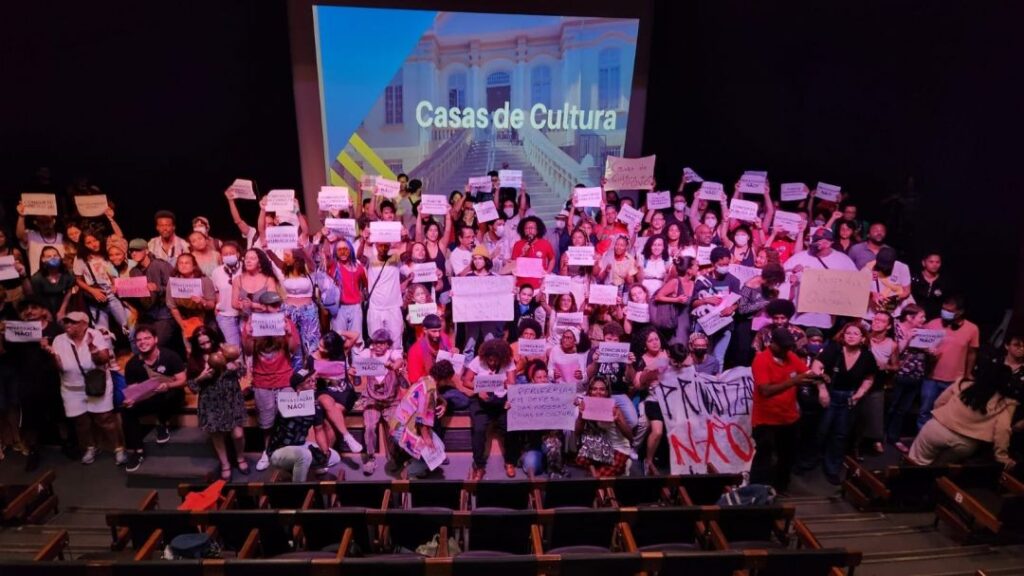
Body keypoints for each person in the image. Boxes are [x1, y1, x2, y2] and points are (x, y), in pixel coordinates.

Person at [43, 311, 126, 466]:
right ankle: (90, 447)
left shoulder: (96, 335)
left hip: (97, 385)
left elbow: (103, 360)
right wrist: (51, 354)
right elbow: (59, 368)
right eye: (66, 322)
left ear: (84, 324)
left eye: (73, 322)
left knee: (105, 419)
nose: (68, 325)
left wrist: (91, 347)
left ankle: (118, 448)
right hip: (71, 388)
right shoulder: (59, 340)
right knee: (81, 421)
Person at [908, 367, 1018, 469]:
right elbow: (1003, 431)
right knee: (938, 471)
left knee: (914, 465)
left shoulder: (962, 385)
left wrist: (942, 418)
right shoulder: (1004, 402)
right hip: (964, 443)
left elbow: (939, 402)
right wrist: (1001, 457)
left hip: (937, 429)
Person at [750, 327, 817, 493]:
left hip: (788, 417)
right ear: (772, 344)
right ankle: (755, 491)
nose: (787, 350)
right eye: (784, 347)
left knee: (787, 456)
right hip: (766, 418)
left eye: (789, 347)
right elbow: (765, 391)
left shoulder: (790, 356)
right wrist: (793, 381)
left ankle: (781, 487)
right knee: (764, 456)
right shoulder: (761, 360)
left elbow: (805, 372)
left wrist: (818, 377)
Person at [810, 321, 878, 484]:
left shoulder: (867, 356)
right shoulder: (834, 349)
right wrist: (822, 389)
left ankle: (832, 468)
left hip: (849, 397)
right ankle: (809, 462)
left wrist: (860, 394)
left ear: (863, 338)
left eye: (856, 333)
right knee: (820, 431)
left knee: (840, 435)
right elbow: (816, 365)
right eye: (848, 333)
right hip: (830, 394)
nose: (851, 336)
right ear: (843, 335)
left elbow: (869, 378)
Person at [242, 291, 301, 471]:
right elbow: (249, 351)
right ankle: (267, 451)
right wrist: (249, 336)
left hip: (284, 376)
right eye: (272, 305)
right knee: (266, 421)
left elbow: (293, 350)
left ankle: (287, 452)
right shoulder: (251, 323)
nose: (277, 308)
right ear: (263, 306)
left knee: (289, 418)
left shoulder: (286, 322)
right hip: (262, 379)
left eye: (278, 305)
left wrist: (289, 334)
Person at [121, 324, 188, 471]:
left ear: (155, 339)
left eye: (147, 338)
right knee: (126, 410)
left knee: (171, 395)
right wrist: (131, 400)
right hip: (148, 397)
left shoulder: (170, 356)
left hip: (170, 394)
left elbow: (182, 380)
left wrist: (168, 386)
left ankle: (162, 423)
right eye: (139, 340)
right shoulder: (132, 364)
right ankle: (137, 451)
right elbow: (133, 390)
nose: (143, 342)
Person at [185, 326, 247, 480]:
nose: (206, 346)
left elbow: (242, 373)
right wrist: (201, 377)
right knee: (217, 435)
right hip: (211, 401)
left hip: (231, 398)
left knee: (238, 434)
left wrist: (236, 366)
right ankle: (225, 463)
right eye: (202, 344)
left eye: (208, 342)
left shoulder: (225, 351)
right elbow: (192, 387)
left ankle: (240, 458)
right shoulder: (195, 359)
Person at [918, 295, 979, 431]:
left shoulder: (972, 329)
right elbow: (920, 345)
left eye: (949, 310)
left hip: (954, 380)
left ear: (960, 312)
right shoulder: (932, 323)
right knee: (924, 411)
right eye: (943, 309)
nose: (944, 312)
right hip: (931, 377)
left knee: (945, 414)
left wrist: (968, 374)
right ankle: (921, 443)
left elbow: (972, 353)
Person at [784, 228, 857, 330]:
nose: (818, 243)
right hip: (798, 318)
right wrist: (792, 272)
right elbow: (781, 276)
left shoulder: (843, 260)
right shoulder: (799, 257)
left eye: (822, 241)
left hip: (825, 319)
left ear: (830, 242)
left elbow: (854, 285)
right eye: (816, 240)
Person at [389, 360, 452, 479]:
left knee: (437, 448)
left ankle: (414, 463)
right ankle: (409, 472)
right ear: (443, 379)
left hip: (399, 423)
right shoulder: (430, 390)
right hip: (402, 429)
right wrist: (427, 441)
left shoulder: (426, 380)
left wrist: (443, 403)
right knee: (434, 454)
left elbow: (434, 397)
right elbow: (422, 420)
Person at [464, 339, 516, 479]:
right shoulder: (477, 360)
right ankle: (479, 466)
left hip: (501, 401)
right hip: (481, 401)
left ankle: (510, 462)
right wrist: (478, 389)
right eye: (490, 360)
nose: (492, 363)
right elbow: (466, 380)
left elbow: (512, 383)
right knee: (479, 430)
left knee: (510, 429)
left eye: (495, 360)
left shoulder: (508, 362)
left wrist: (508, 393)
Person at [352, 329, 402, 475]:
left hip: (391, 400)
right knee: (369, 427)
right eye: (376, 343)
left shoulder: (393, 353)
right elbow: (356, 366)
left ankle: (395, 457)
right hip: (372, 399)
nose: (378, 346)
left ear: (388, 344)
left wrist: (393, 366)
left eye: (382, 343)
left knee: (394, 428)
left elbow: (399, 361)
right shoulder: (367, 353)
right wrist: (353, 370)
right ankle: (370, 458)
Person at [266, 360, 324, 482]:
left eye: (314, 381)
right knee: (304, 456)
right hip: (279, 449)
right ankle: (297, 491)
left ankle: (301, 468)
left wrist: (325, 450)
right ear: (298, 389)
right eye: (309, 382)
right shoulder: (286, 405)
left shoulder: (315, 406)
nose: (314, 384)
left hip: (300, 445)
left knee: (334, 457)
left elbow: (319, 430)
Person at [886, 304, 929, 451]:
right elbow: (897, 351)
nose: (924, 319)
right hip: (899, 374)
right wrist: (909, 338)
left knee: (903, 409)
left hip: (916, 374)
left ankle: (894, 437)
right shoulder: (895, 328)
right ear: (910, 317)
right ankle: (880, 437)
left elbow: (927, 350)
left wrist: (930, 349)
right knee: (891, 407)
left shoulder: (923, 331)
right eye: (921, 317)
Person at [690, 246, 741, 367]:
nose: (725, 267)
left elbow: (737, 302)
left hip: (724, 324)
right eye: (721, 264)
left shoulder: (734, 281)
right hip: (704, 324)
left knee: (719, 358)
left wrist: (732, 308)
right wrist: (707, 300)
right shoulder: (702, 280)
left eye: (727, 264)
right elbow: (693, 303)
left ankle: (716, 383)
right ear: (713, 263)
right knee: (700, 357)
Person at [575, 377, 634, 477]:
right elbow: (577, 433)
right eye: (594, 389)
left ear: (607, 392)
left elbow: (630, 436)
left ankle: (624, 465)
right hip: (600, 445)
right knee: (580, 459)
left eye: (602, 389)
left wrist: (618, 420)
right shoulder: (586, 406)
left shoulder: (614, 408)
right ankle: (598, 468)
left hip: (618, 448)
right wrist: (581, 416)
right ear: (590, 391)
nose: (598, 392)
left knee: (600, 477)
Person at [126, 238, 178, 351]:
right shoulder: (133, 272)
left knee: (157, 344)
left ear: (146, 251)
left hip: (164, 313)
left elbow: (175, 287)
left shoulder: (160, 265)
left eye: (138, 250)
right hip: (146, 315)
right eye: (131, 251)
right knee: (140, 344)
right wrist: (120, 293)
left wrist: (158, 288)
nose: (134, 253)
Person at [167, 253, 216, 347]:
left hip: (205, 320)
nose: (183, 265)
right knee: (190, 349)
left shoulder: (205, 281)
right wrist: (183, 325)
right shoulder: (172, 282)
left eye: (187, 263)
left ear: (194, 266)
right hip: (185, 320)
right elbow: (173, 307)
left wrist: (202, 301)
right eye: (180, 263)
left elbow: (211, 305)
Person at [363, 242, 404, 350]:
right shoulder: (370, 259)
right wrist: (363, 240)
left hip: (393, 308)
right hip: (375, 308)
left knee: (395, 343)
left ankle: (396, 366)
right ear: (376, 245)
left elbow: (409, 254)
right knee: (376, 343)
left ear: (390, 245)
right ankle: (379, 366)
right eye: (380, 245)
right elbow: (358, 257)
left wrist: (406, 238)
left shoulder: (396, 258)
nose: (383, 247)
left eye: (386, 245)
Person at [231, 248, 280, 320]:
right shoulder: (238, 280)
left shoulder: (269, 280)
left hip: (265, 322)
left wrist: (252, 305)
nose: (248, 261)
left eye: (252, 258)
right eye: (246, 258)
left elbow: (272, 306)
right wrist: (242, 306)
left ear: (259, 262)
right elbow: (234, 304)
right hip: (245, 322)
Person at [210, 241, 243, 346]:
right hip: (225, 315)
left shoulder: (245, 268)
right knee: (234, 349)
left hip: (244, 314)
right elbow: (216, 291)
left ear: (238, 254)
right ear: (221, 256)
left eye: (231, 253)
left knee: (249, 348)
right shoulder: (216, 272)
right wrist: (217, 307)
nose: (228, 256)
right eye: (225, 254)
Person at [29, 245, 76, 320]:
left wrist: (62, 310)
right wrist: (46, 312)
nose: (53, 258)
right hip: (44, 306)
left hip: (63, 304)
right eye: (49, 256)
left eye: (55, 255)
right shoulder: (37, 278)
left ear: (60, 258)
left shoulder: (67, 274)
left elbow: (68, 292)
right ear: (43, 259)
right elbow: (38, 298)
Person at [910, 252, 950, 320]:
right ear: (923, 263)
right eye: (931, 262)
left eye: (938, 262)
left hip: (935, 319)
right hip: (914, 317)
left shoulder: (944, 281)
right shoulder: (914, 278)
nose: (935, 265)